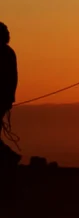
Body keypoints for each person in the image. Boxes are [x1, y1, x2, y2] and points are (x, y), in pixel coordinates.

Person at [0, 22, 21, 167]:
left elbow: (11, 77)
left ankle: (10, 158)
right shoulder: (8, 52)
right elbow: (14, 77)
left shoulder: (5, 53)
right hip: (4, 98)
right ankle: (9, 158)